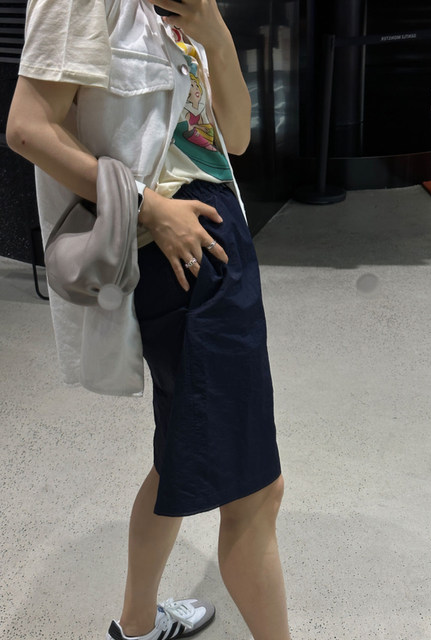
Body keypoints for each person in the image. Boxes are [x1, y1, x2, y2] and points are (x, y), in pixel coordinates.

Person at [7, 1, 291, 639]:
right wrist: (149, 209)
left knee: (177, 455)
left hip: (212, 239)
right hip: (179, 251)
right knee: (255, 493)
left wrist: (214, 32)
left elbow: (234, 139)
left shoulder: (179, 9)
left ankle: (137, 625)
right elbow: (27, 128)